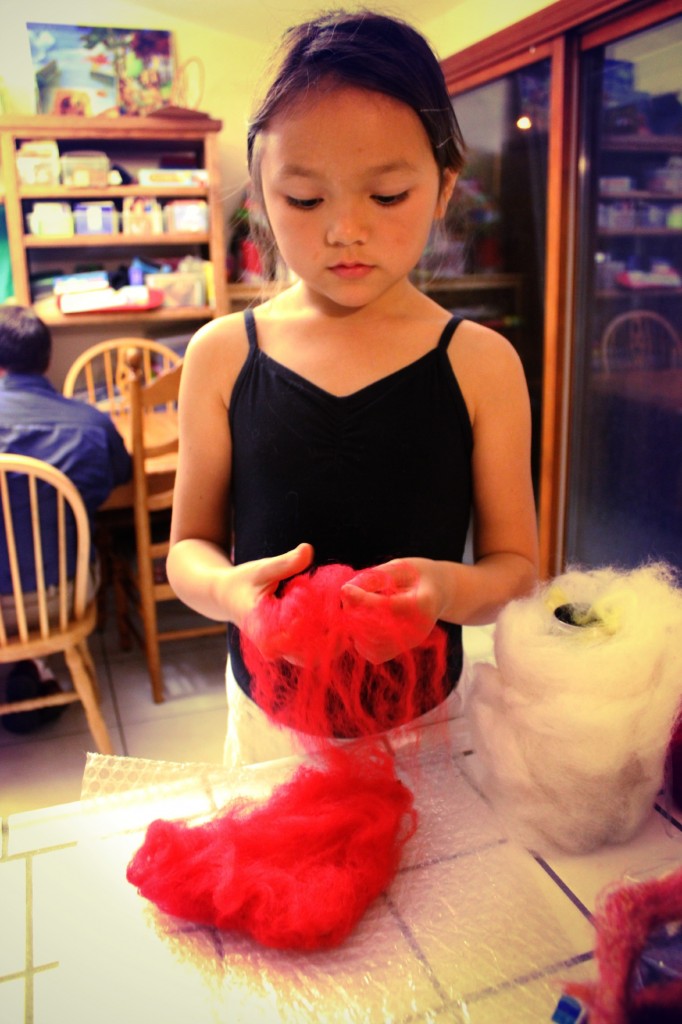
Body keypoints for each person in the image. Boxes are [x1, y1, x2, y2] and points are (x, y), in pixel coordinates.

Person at [167, 10, 539, 767]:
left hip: (428, 723)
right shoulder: (221, 355)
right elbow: (188, 551)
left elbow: (516, 570)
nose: (345, 230)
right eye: (305, 200)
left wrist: (443, 592)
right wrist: (235, 596)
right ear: (261, 200)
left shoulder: (481, 363)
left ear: (442, 188)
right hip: (271, 722)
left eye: (389, 195)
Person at [0, 305, 132, 731]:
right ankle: (38, 663)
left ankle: (29, 666)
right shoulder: (91, 423)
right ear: (48, 359)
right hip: (63, 597)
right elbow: (123, 478)